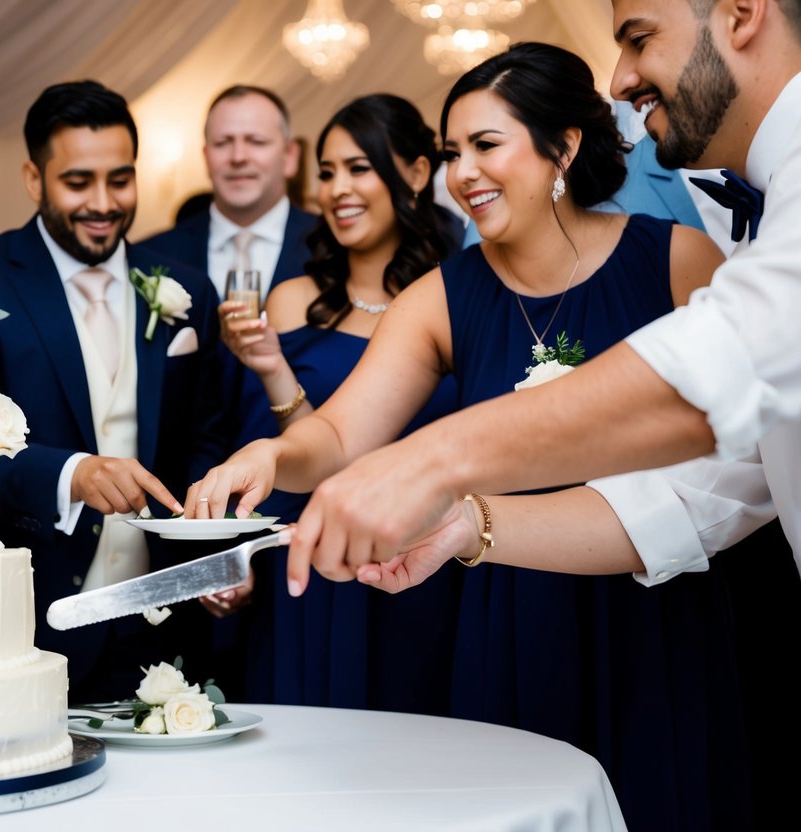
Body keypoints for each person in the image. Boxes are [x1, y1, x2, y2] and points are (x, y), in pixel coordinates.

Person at [188, 42, 755, 830]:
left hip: (655, 608)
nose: (462, 174)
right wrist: (273, 454)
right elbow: (345, 432)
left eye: (485, 146)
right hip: (507, 606)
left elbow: (741, 444)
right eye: (453, 153)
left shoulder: (673, 260)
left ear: (562, 146)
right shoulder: (443, 295)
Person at [279, 0, 801, 595]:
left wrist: (430, 461)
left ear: (742, 12)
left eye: (639, 37)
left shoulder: (683, 252)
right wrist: (469, 522)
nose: (618, 80)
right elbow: (710, 486)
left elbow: (706, 384)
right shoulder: (449, 293)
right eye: (455, 153)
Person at [0, 80, 227, 704]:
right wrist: (73, 475)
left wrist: (214, 551)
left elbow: (205, 437)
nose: (103, 202)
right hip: (34, 619)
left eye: (120, 180)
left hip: (165, 625)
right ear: (34, 179)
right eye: (78, 182)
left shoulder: (188, 291)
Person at [209, 94, 461, 709]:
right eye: (326, 172)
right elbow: (296, 449)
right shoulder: (294, 300)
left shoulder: (461, 294)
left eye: (359, 167)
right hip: (316, 565)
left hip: (431, 569)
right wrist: (269, 365)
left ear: (417, 174)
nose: (339, 188)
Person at [139, 85, 318, 302]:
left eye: (256, 141)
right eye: (222, 143)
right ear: (206, 157)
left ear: (290, 156)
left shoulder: (330, 246)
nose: (238, 157)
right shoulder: (154, 255)